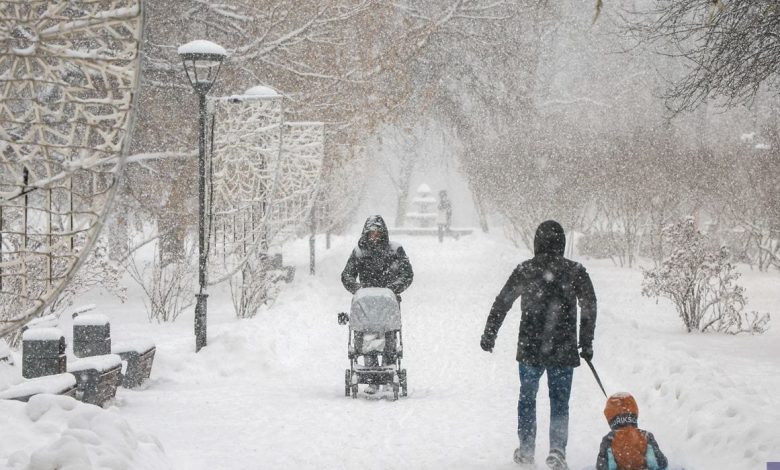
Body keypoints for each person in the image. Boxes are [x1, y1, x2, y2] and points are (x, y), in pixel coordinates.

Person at [480, 220, 597, 469]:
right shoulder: (575, 271)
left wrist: (490, 333)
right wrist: (586, 343)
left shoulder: (525, 269)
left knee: (527, 398)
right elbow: (589, 306)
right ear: (562, 244)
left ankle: (526, 449)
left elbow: (503, 302)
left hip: (530, 347)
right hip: (563, 348)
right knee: (559, 402)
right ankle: (557, 451)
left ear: (536, 242)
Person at [342, 215, 413, 394]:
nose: (374, 236)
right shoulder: (359, 252)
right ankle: (372, 377)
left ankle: (389, 370)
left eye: (377, 233)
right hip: (366, 303)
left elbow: (407, 274)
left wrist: (394, 288)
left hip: (388, 302)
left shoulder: (395, 250)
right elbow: (347, 275)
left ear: (383, 234)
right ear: (366, 234)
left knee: (388, 335)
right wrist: (358, 288)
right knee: (368, 338)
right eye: (371, 233)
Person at [596, 393, 668, 470]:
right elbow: (662, 463)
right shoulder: (646, 436)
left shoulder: (608, 439)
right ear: (635, 413)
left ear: (610, 417)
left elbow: (601, 466)